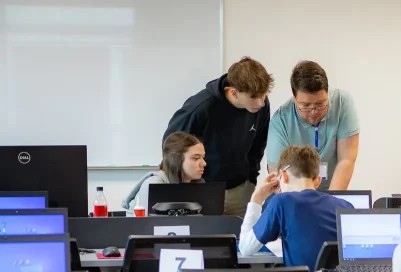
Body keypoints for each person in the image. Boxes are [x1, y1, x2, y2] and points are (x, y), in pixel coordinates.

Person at [164, 57, 273, 215]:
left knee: (241, 231)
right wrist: (185, 185)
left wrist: (251, 178)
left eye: (264, 96)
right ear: (234, 92)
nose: (261, 103)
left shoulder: (260, 106)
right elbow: (171, 146)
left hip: (240, 190)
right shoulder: (201, 107)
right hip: (203, 190)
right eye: (254, 98)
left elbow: (259, 144)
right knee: (205, 231)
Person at [238, 146, 352, 270]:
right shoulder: (345, 206)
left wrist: (256, 199)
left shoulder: (281, 202)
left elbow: (245, 248)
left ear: (283, 175)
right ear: (318, 180)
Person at [266, 61, 360, 191]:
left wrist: (331, 200)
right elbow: (277, 174)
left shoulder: (342, 103)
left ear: (327, 93)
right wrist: (302, 201)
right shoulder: (280, 120)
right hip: (295, 193)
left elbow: (346, 160)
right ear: (295, 99)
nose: (314, 111)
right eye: (305, 106)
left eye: (320, 104)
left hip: (332, 189)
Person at [121, 132, 206, 213]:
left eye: (203, 157)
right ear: (176, 160)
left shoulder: (200, 185)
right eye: (196, 158)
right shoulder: (154, 184)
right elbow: (142, 222)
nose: (204, 163)